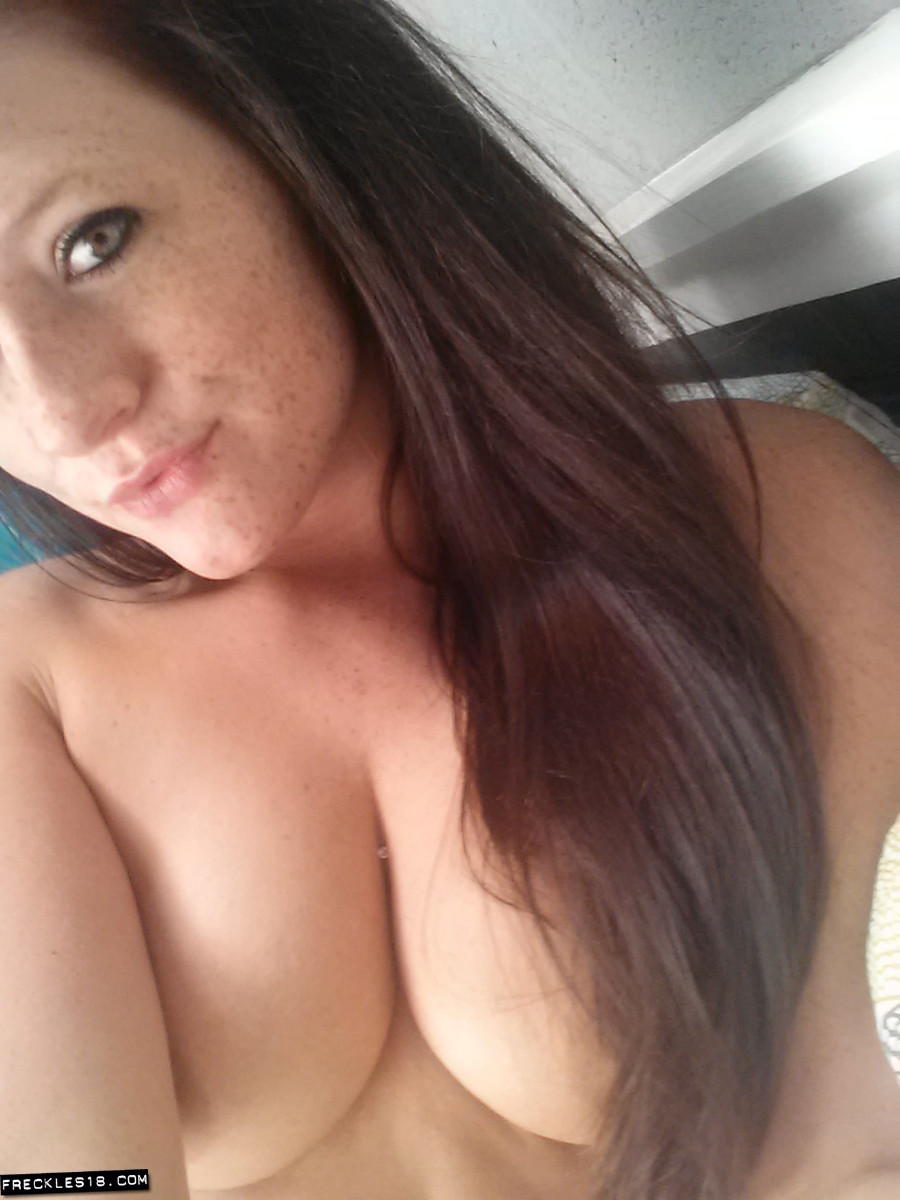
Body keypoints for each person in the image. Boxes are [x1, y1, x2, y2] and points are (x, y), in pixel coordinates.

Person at [0, 3, 897, 1198]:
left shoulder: (772, 512)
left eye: (92, 241)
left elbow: (830, 1130)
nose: (61, 416)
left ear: (299, 144)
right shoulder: (27, 681)